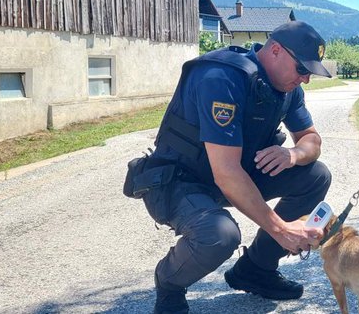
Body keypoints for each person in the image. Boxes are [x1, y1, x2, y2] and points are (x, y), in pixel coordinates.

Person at [141, 21, 334, 314]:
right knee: (220, 234)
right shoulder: (223, 77)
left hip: (232, 174)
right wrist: (281, 230)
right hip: (182, 180)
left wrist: (293, 154)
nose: (305, 79)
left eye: (310, 72)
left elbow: (312, 140)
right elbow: (226, 172)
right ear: (276, 51)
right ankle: (169, 284)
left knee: (315, 175)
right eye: (302, 69)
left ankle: (256, 269)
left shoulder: (287, 89)